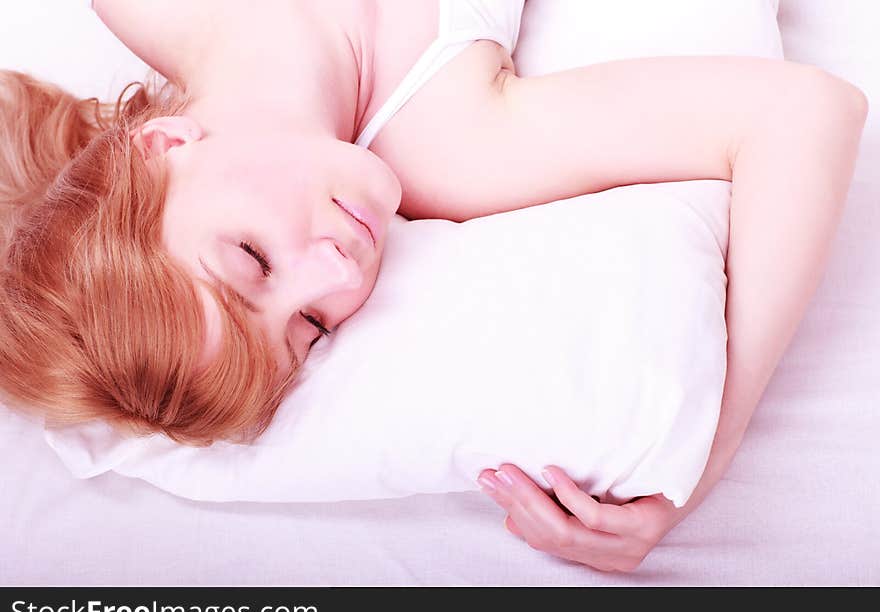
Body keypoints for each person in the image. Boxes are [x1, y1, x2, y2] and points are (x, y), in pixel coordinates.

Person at [0, 0, 868, 572]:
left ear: (160, 148)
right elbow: (804, 112)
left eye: (253, 259)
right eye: (308, 324)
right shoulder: (453, 143)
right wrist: (707, 452)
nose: (336, 271)